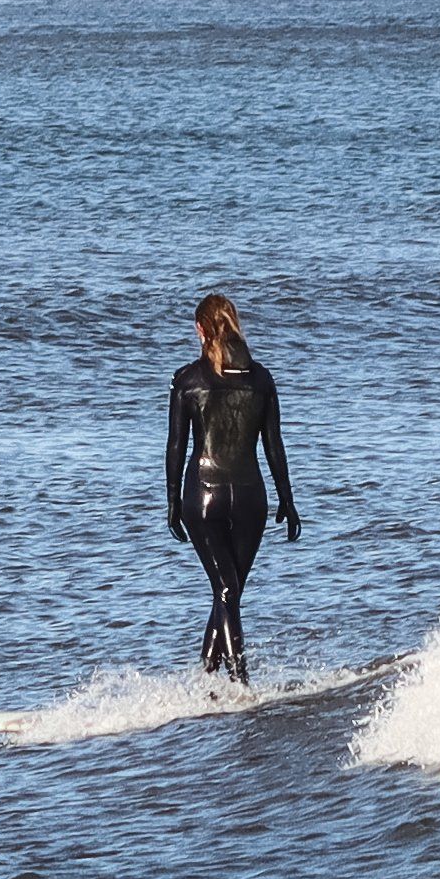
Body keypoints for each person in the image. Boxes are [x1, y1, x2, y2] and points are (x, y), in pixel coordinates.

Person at [163, 291, 304, 681]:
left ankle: (237, 685)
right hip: (250, 499)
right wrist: (287, 499)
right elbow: (274, 444)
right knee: (229, 591)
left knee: (227, 591)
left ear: (201, 330)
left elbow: (176, 446)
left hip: (203, 498)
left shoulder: (186, 380)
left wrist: (172, 500)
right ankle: (209, 681)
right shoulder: (261, 379)